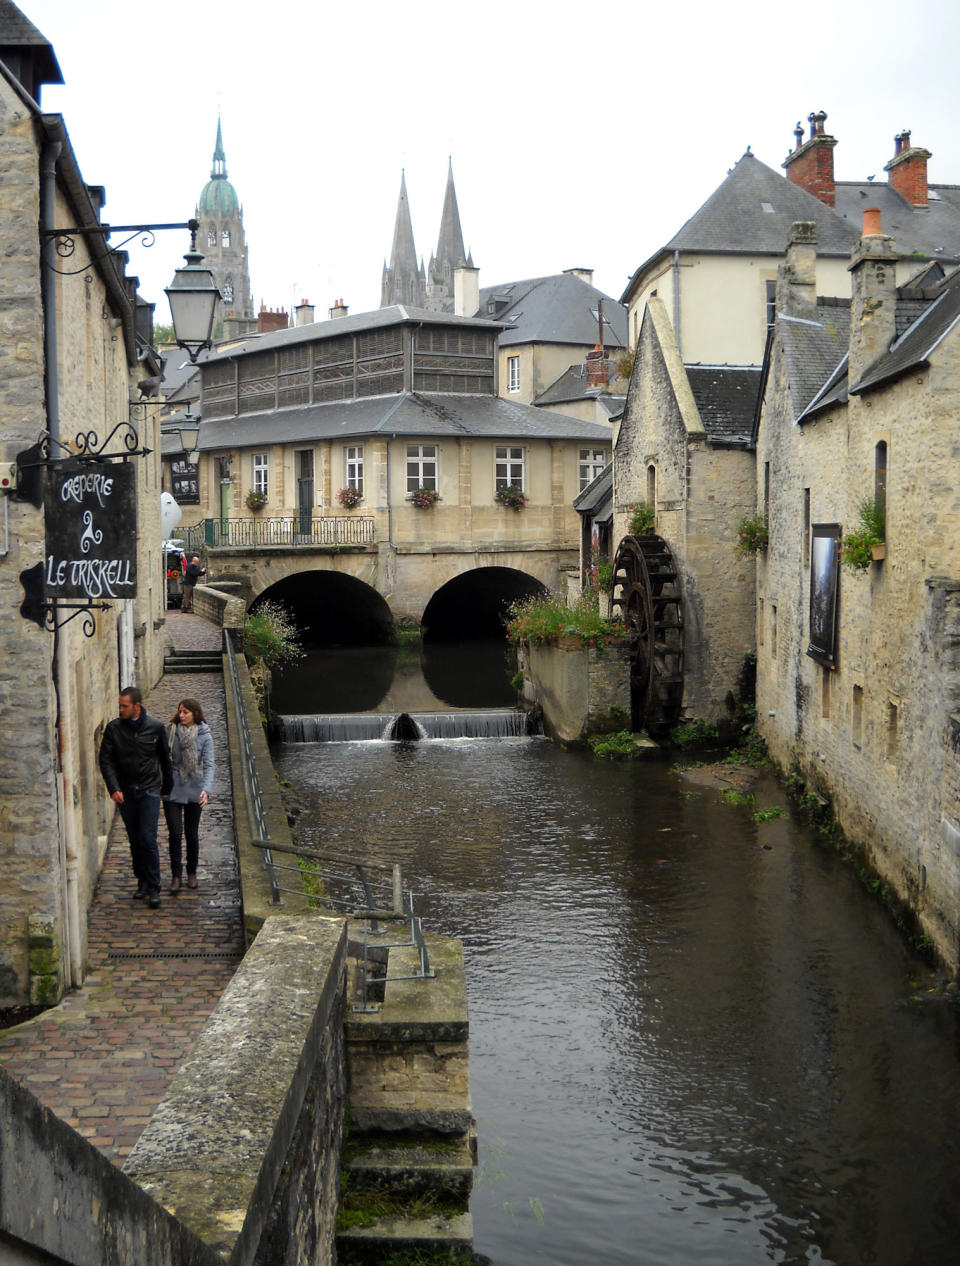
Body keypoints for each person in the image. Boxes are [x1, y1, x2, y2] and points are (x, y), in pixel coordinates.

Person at [98, 686, 173, 908]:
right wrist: (114, 787)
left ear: (136, 706)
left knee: (147, 837)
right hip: (126, 791)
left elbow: (164, 759)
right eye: (119, 705)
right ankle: (141, 880)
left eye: (124, 706)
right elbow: (106, 760)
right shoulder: (113, 729)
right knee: (134, 838)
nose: (120, 709)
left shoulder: (156, 727)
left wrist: (167, 788)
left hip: (149, 788)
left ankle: (154, 886)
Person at [163, 697, 215, 892]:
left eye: (186, 712)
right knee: (175, 834)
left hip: (194, 786)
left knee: (191, 834)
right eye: (180, 711)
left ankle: (191, 872)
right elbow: (162, 759)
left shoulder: (205, 735)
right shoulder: (170, 731)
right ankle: (176, 875)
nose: (182, 715)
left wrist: (206, 790)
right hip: (173, 787)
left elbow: (209, 765)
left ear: (195, 714)